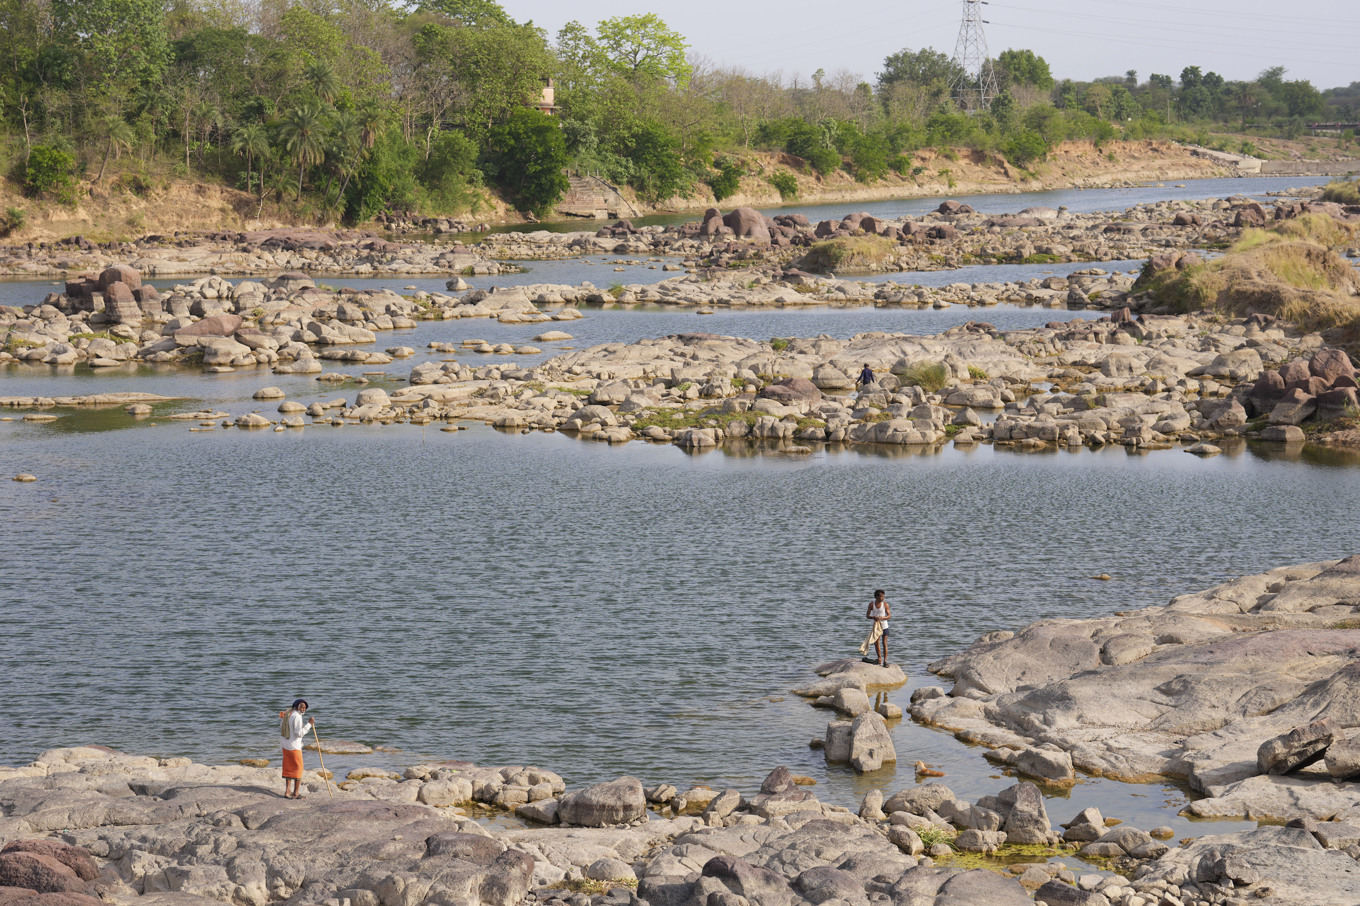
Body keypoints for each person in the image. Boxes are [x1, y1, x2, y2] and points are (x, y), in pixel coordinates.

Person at [280, 699, 314, 799]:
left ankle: (287, 791)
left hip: (285, 745)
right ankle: (296, 793)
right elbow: (298, 733)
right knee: (298, 768)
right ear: (297, 707)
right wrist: (309, 725)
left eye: (305, 707)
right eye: (302, 707)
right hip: (294, 746)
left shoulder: (288, 713)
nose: (303, 709)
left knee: (288, 767)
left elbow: (284, 726)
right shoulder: (297, 716)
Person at [863, 589, 891, 667]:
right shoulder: (871, 604)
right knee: (876, 643)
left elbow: (889, 616)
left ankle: (885, 661)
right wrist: (873, 617)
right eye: (881, 596)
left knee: (884, 643)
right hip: (876, 626)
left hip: (884, 626)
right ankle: (879, 659)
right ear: (877, 596)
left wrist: (882, 618)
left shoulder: (885, 604)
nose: (883, 598)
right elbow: (867, 615)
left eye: (883, 596)